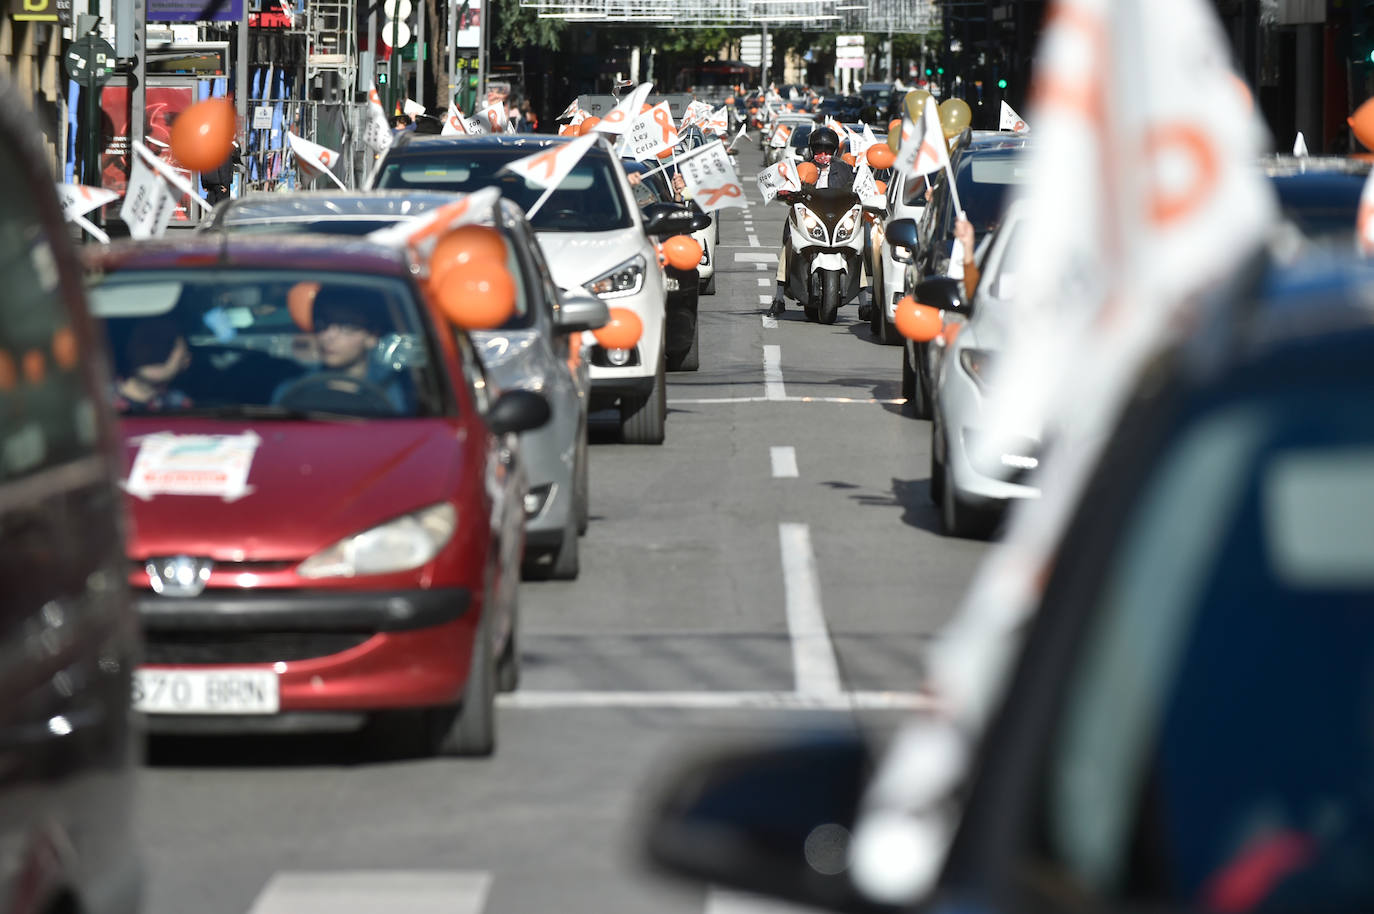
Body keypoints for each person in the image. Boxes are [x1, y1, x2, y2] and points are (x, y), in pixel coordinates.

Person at [275, 287, 411, 412]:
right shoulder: (292, 392)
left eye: (346, 326)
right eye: (323, 323)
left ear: (372, 336)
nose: (329, 336)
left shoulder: (397, 392)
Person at [769, 126, 857, 316]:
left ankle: (865, 299)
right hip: (809, 219)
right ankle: (778, 297)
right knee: (789, 243)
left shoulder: (844, 170)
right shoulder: (801, 168)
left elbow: (855, 191)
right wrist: (786, 192)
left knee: (857, 249)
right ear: (812, 150)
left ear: (834, 151)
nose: (823, 155)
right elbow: (785, 189)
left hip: (836, 220)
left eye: (827, 151)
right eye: (818, 150)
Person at [114, 319, 193, 412]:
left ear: (185, 360)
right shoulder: (95, 401)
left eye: (168, 344)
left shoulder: (187, 409)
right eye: (147, 340)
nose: (158, 352)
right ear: (129, 348)